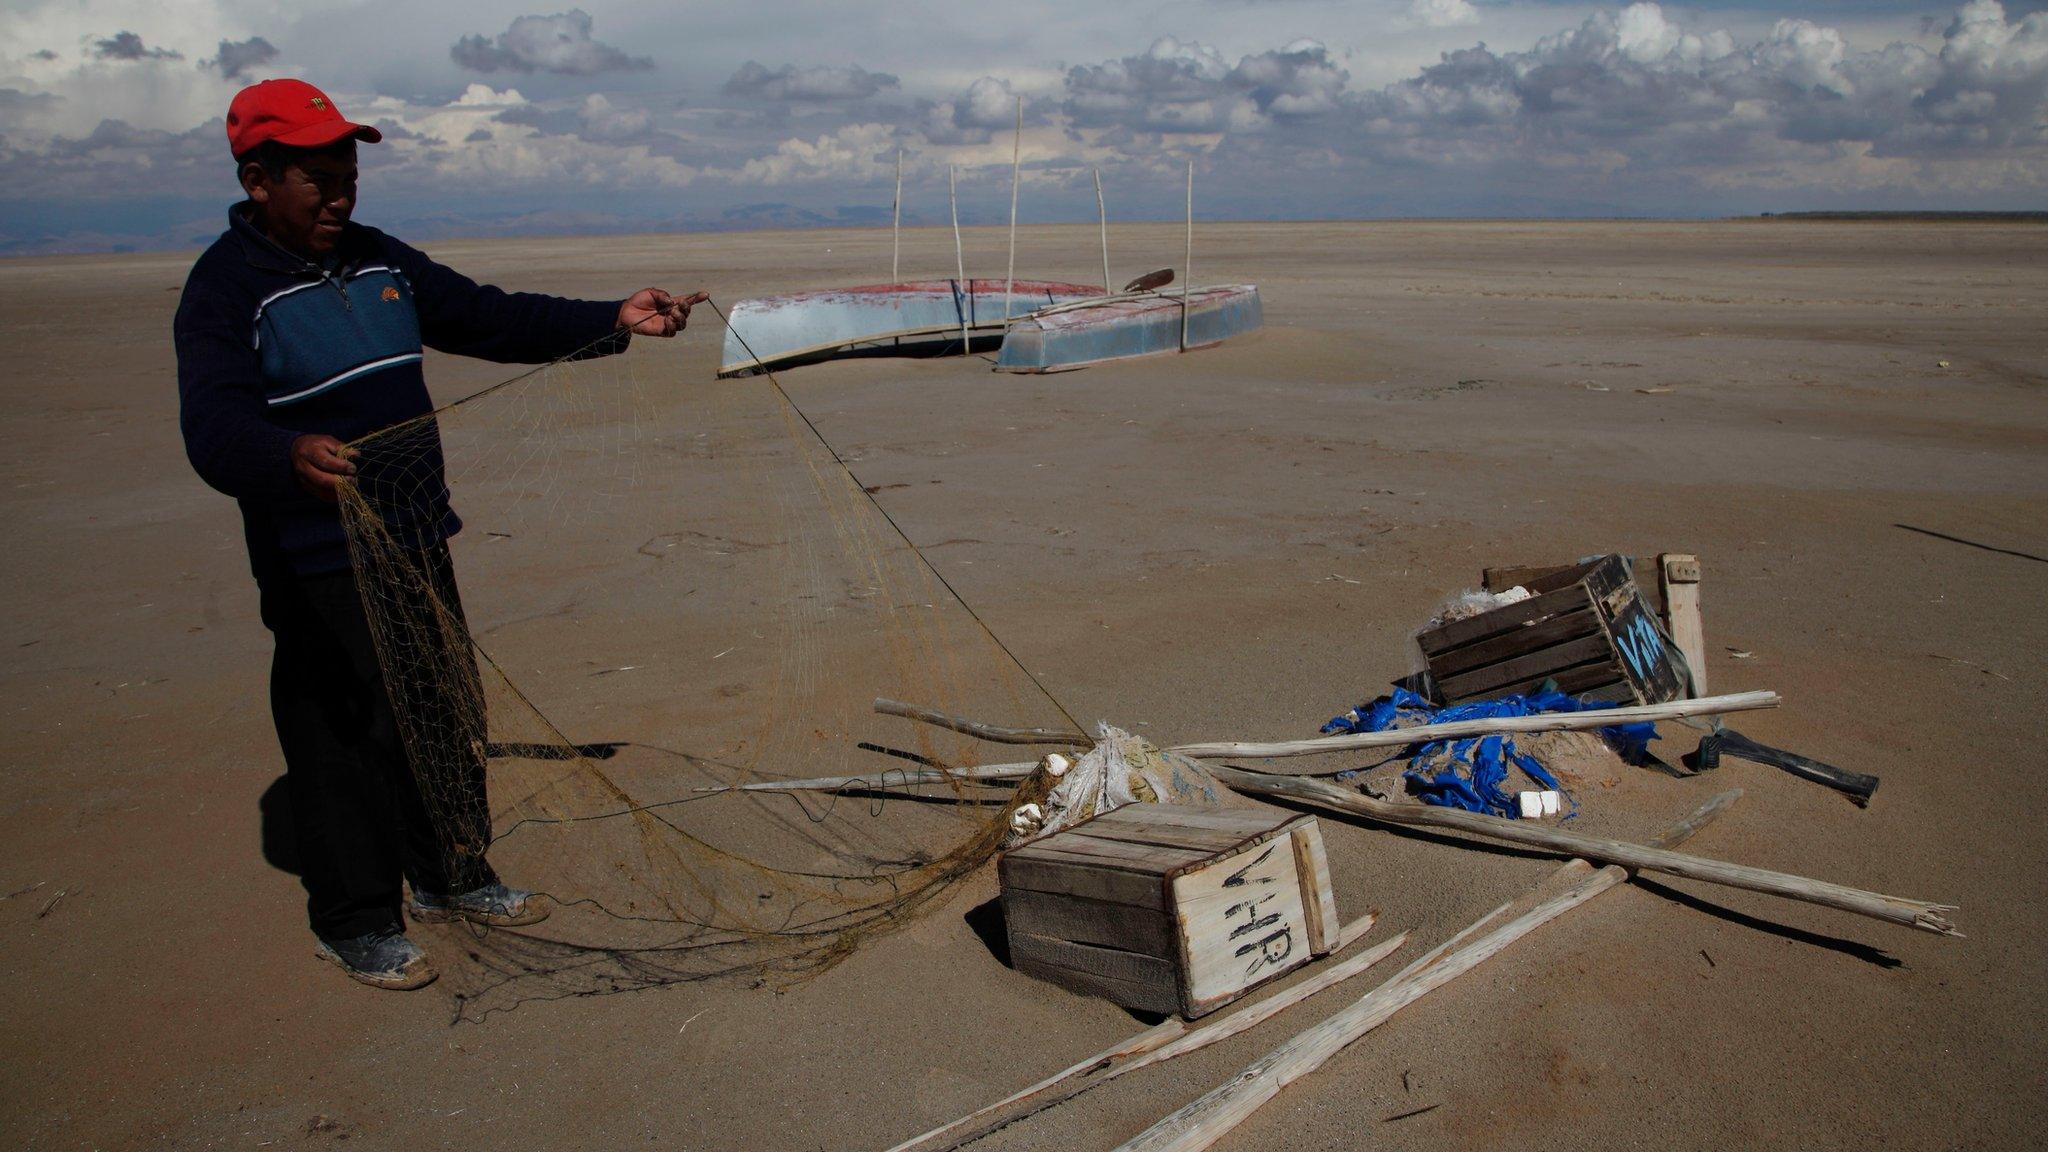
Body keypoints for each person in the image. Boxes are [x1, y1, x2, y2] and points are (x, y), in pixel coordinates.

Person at [174, 78, 706, 990]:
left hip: (416, 531)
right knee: (345, 730)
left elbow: (487, 314)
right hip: (316, 556)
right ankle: (358, 917)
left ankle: (455, 873)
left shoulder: (380, 260)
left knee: (441, 705)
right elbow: (214, 427)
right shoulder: (225, 291)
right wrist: (284, 453)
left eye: (347, 169)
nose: (341, 191)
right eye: (317, 176)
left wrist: (610, 321)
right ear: (259, 180)